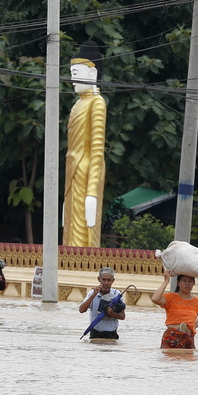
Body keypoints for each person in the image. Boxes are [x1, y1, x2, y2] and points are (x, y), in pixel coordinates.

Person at [63, 41, 107, 247]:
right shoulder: (77, 104)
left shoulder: (97, 103)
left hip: (88, 170)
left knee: (84, 232)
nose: (72, 78)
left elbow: (97, 151)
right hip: (73, 173)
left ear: (92, 74)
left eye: (76, 72)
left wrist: (92, 192)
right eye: (71, 72)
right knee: (70, 229)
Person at [151, 271, 198, 349]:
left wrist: (193, 327)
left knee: (189, 360)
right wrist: (166, 281)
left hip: (188, 338)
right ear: (178, 283)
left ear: (193, 284)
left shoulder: (197, 302)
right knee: (170, 360)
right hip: (171, 337)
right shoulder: (171, 298)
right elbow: (155, 298)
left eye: (190, 281)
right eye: (184, 281)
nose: (187, 283)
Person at [78, 267, 124, 340]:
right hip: (95, 333)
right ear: (99, 279)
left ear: (113, 280)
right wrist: (93, 295)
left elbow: (122, 316)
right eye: (104, 280)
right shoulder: (92, 293)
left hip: (112, 334)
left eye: (109, 280)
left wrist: (112, 314)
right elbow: (81, 310)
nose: (106, 283)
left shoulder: (117, 294)